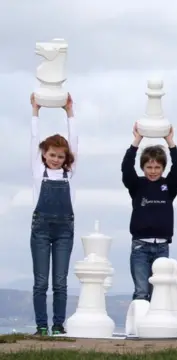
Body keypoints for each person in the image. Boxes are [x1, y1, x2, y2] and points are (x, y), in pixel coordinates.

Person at [29, 93, 78, 336]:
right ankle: (41, 326)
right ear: (44, 155)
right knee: (41, 282)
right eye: (52, 155)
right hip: (40, 229)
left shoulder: (70, 174)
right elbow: (33, 138)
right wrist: (35, 111)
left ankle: (58, 326)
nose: (56, 159)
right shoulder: (38, 172)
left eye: (60, 156)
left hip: (64, 231)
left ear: (66, 158)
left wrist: (69, 112)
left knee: (60, 281)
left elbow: (75, 140)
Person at [121, 124, 177, 301]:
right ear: (143, 168)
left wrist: (170, 142)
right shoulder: (137, 185)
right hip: (140, 246)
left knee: (158, 292)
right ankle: (138, 327)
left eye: (157, 167)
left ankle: (154, 327)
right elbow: (126, 169)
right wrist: (136, 141)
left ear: (163, 168)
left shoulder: (168, 187)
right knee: (142, 291)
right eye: (149, 167)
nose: (153, 171)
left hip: (162, 247)